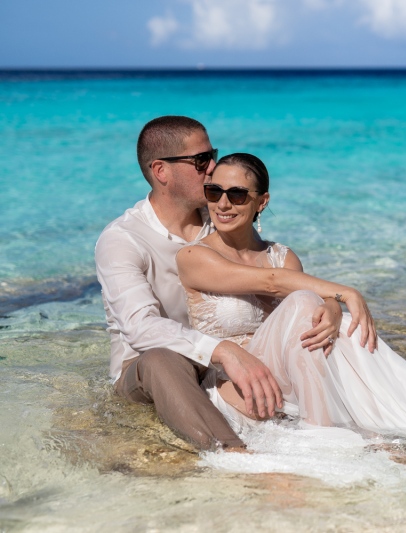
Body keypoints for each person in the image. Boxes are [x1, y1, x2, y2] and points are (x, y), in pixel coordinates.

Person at [95, 116, 378, 450]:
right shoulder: (123, 240)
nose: (213, 166)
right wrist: (220, 350)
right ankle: (233, 455)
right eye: (201, 160)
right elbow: (139, 328)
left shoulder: (220, 216)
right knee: (162, 359)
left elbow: (275, 280)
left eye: (212, 154)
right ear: (161, 171)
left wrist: (328, 305)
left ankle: (354, 425)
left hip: (225, 364)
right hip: (155, 368)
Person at [176, 153, 406, 437]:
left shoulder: (283, 256)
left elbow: (296, 294)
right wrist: (344, 293)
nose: (223, 204)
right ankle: (323, 430)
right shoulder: (194, 257)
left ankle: (339, 425)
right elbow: (274, 283)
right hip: (236, 388)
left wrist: (331, 305)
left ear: (263, 201)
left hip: (289, 380)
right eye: (214, 192)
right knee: (305, 300)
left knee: (321, 313)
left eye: (238, 194)